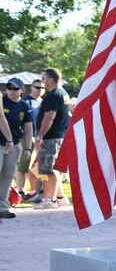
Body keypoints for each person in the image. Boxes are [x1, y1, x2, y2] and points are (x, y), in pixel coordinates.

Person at [32, 68, 71, 209]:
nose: (42, 82)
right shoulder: (63, 93)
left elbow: (49, 117)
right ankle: (61, 198)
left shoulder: (53, 96)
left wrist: (40, 136)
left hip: (50, 137)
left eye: (43, 79)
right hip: (58, 136)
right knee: (51, 168)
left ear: (50, 80)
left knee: (50, 169)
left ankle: (51, 200)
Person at [0, 78, 29, 218]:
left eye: (15, 88)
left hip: (15, 144)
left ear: (22, 91)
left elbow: (28, 128)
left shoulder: (23, 106)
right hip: (1, 143)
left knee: (7, 176)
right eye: (9, 87)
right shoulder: (2, 100)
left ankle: (3, 207)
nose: (12, 90)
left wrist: (28, 148)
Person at [15, 79, 43, 198]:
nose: (40, 90)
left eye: (42, 88)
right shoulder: (24, 102)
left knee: (36, 166)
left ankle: (36, 190)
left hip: (40, 138)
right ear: (31, 87)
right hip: (27, 137)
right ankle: (20, 190)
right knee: (23, 165)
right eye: (37, 87)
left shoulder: (44, 101)